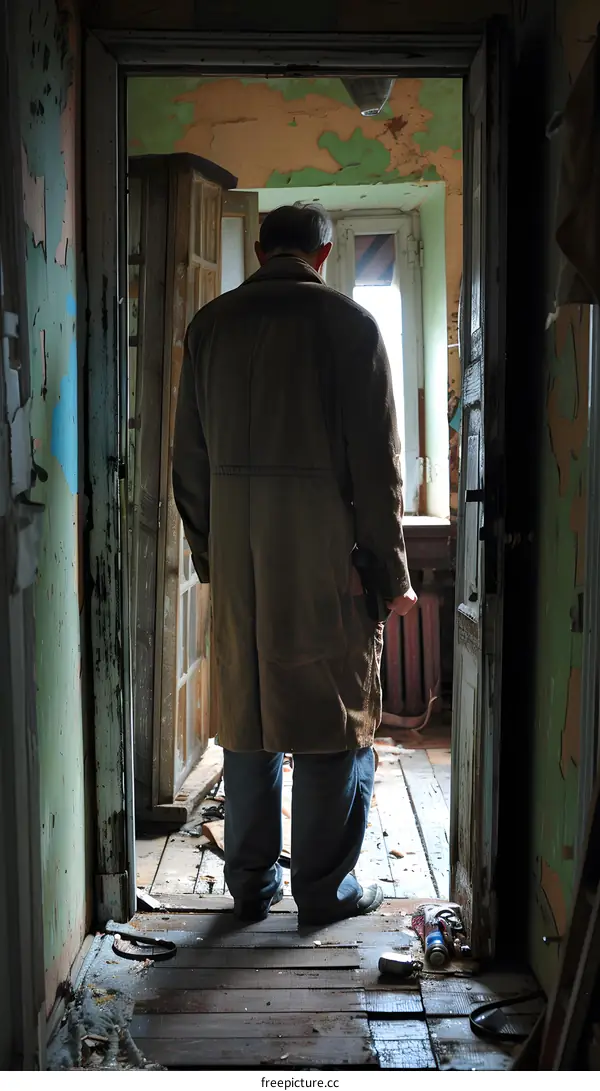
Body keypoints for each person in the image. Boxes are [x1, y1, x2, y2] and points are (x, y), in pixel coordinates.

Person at [173, 202, 417, 927]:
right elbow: (379, 473)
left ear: (258, 249)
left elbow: (188, 468)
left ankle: (249, 889)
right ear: (322, 253)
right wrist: (389, 574)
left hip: (246, 572)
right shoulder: (350, 327)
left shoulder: (211, 327)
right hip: (328, 568)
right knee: (330, 725)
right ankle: (323, 888)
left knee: (248, 724)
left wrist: (216, 559)